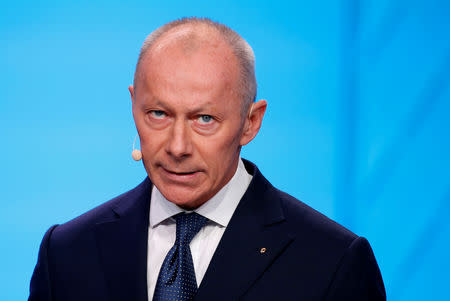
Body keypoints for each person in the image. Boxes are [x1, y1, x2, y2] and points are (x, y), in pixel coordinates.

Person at [29, 17, 386, 301]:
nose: (178, 146)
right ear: (132, 105)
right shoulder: (66, 253)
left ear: (251, 123)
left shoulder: (332, 261)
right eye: (158, 114)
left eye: (205, 119)